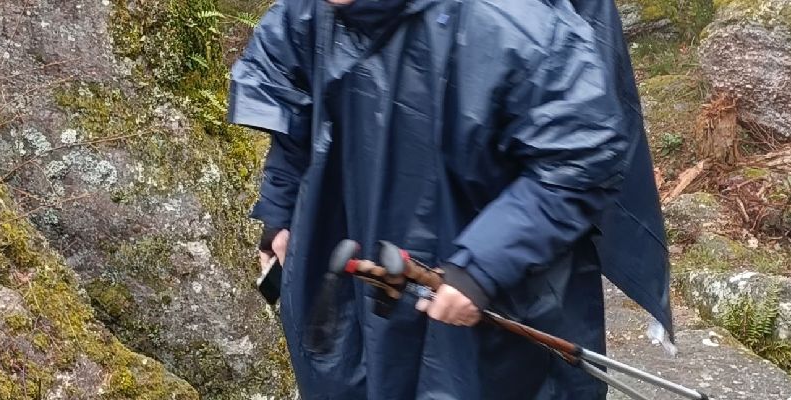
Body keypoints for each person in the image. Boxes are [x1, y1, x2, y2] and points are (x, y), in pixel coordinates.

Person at [228, 0, 674, 397]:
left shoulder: (505, 22)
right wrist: (280, 215)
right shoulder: (308, 14)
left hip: (494, 288)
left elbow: (581, 155)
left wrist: (482, 266)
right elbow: (288, 108)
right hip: (353, 277)